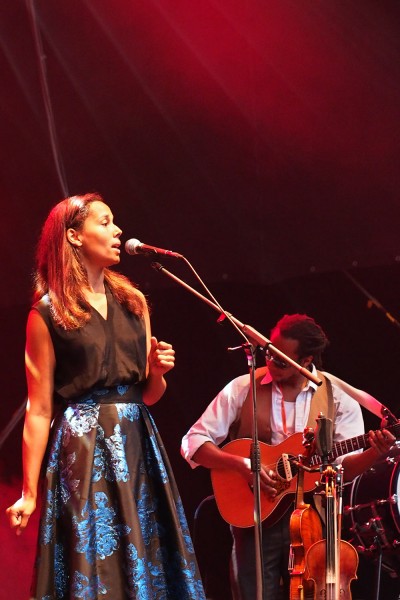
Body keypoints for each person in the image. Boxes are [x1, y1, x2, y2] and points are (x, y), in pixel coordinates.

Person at [6, 193, 205, 599]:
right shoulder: (47, 313)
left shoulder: (133, 302)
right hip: (84, 445)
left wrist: (160, 373)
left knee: (146, 554)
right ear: (75, 237)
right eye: (105, 222)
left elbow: (148, 396)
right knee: (94, 560)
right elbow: (40, 409)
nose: (117, 232)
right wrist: (29, 492)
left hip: (137, 440)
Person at [181, 313, 395, 600]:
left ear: (306, 360)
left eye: (282, 359)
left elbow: (344, 468)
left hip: (314, 520)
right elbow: (194, 441)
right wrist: (241, 464)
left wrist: (373, 453)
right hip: (255, 517)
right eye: (269, 353)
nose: (271, 362)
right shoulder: (243, 388)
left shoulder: (338, 396)